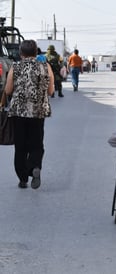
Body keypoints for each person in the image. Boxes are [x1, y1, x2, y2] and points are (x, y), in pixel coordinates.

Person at [4, 40, 54, 189]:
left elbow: (7, 90)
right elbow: (51, 91)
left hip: (18, 112)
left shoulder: (16, 66)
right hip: (38, 112)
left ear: (21, 53)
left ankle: (23, 179)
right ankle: (34, 168)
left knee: (20, 147)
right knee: (37, 145)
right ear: (36, 52)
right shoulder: (46, 66)